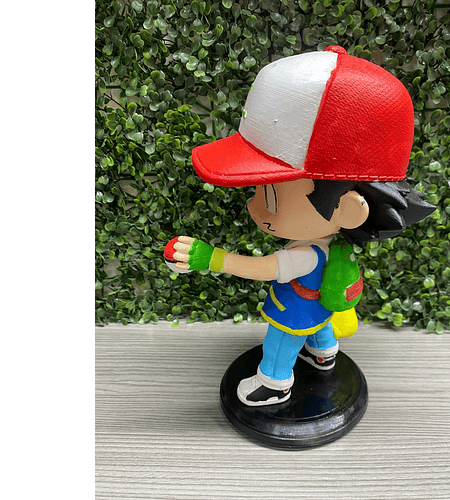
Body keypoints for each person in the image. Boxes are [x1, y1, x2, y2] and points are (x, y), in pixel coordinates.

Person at [163, 46, 435, 406]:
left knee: (279, 343)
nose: (254, 206)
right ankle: (324, 354)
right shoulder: (330, 246)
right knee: (319, 326)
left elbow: (263, 269)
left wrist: (211, 258)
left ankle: (274, 383)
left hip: (294, 313)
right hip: (317, 307)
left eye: (270, 195)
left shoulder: (307, 254)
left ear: (347, 211)